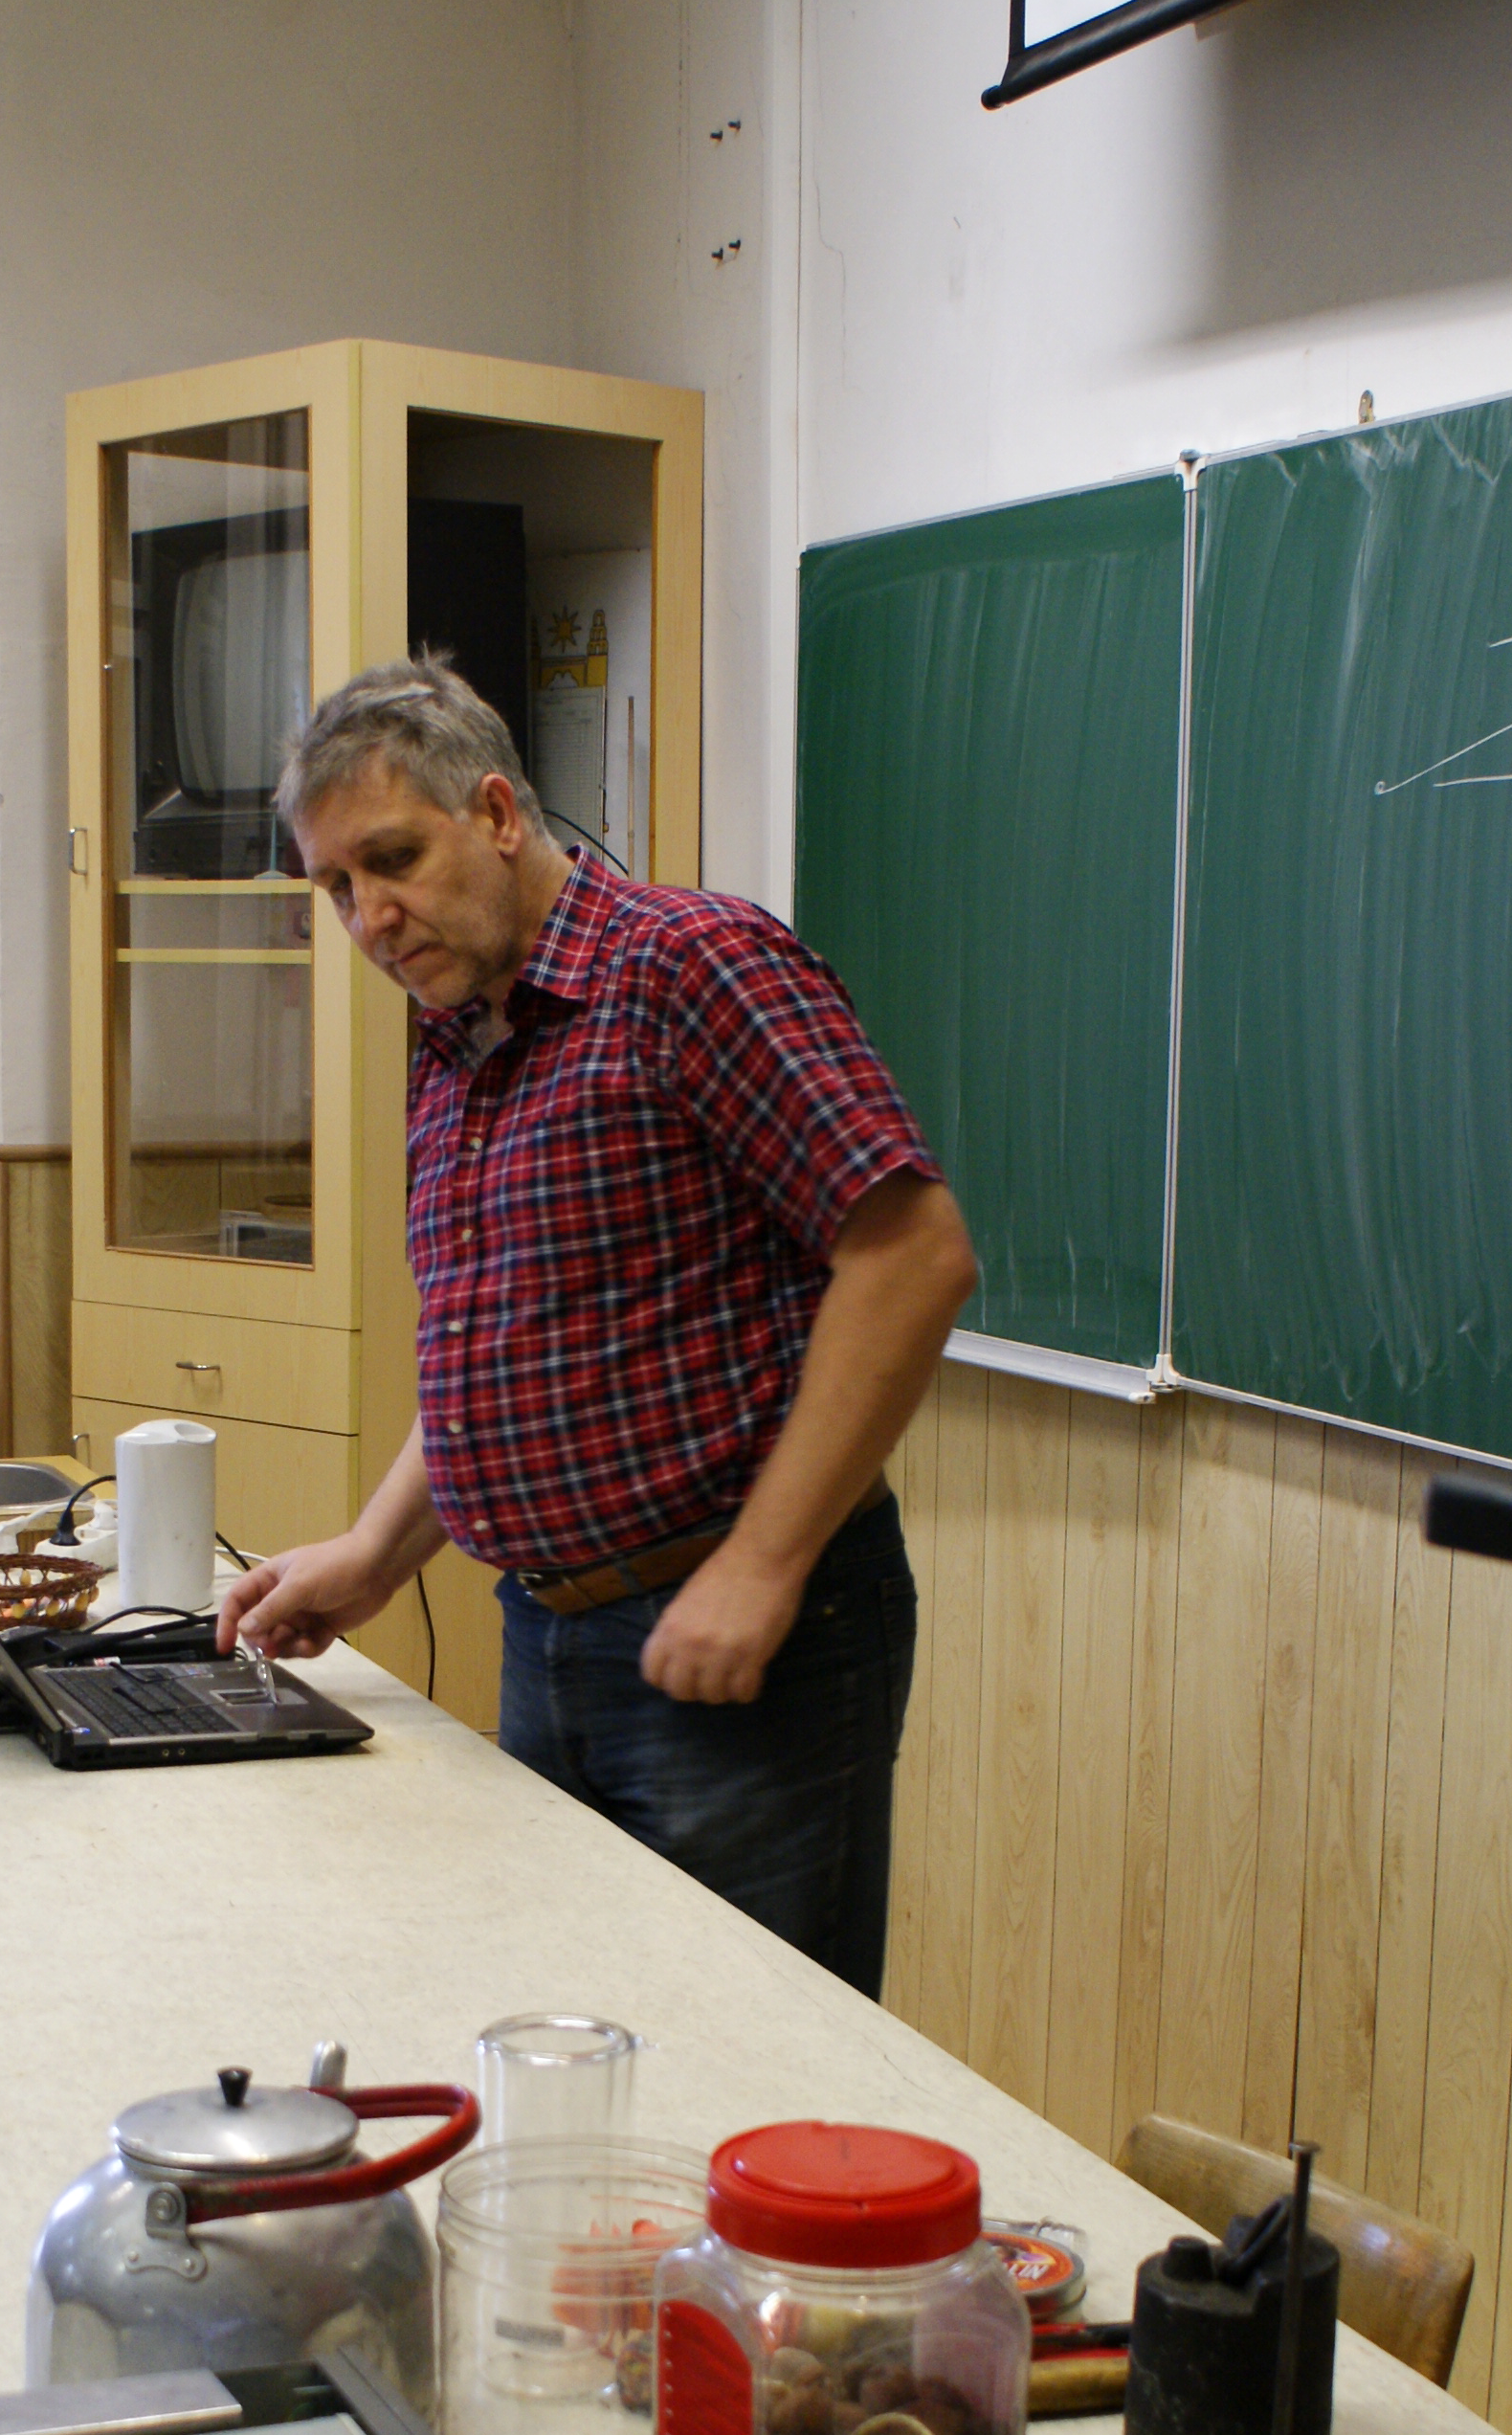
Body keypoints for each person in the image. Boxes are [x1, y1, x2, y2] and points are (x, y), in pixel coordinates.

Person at [217, 658, 977, 1999]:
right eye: (336, 886)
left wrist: (760, 1565)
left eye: (393, 859)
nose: (371, 917)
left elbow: (912, 1256)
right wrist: (376, 1552)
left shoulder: (693, 967)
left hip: (739, 1640)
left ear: (497, 813)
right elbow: (514, 1352)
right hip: (549, 1636)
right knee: (583, 2045)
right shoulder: (456, 1038)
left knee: (743, 2057)